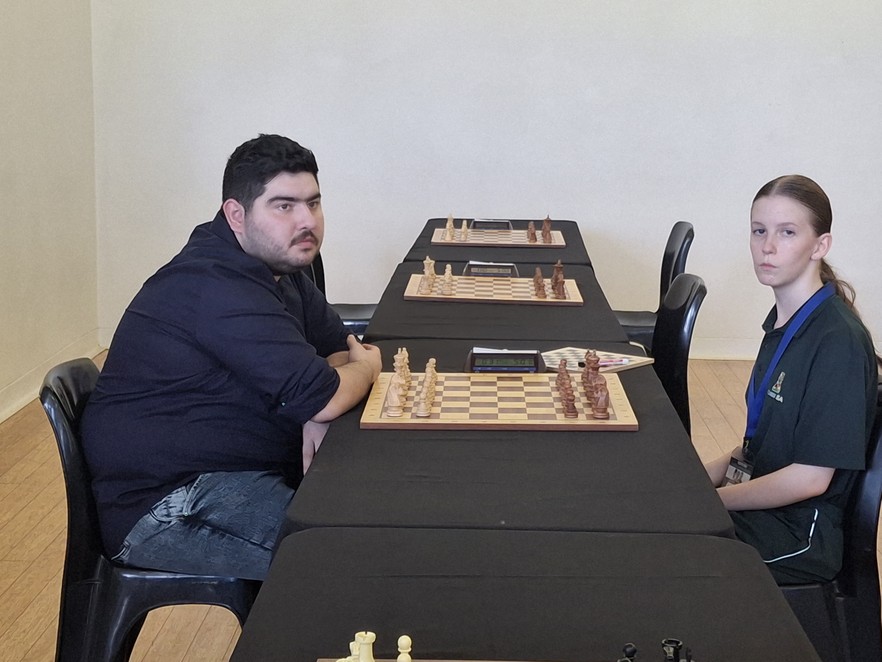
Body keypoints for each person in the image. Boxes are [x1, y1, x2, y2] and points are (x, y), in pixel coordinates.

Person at [81, 134, 382, 580]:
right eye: (284, 206)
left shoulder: (278, 265)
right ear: (236, 214)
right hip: (168, 503)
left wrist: (318, 405)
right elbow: (334, 386)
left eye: (313, 203)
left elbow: (336, 348)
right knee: (351, 555)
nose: (307, 221)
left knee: (380, 512)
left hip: (230, 473)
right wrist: (365, 370)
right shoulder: (216, 283)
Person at [704, 174, 880, 585]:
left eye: (787, 232)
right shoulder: (785, 324)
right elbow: (757, 446)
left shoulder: (837, 341)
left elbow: (810, 478)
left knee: (671, 545)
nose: (768, 246)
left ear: (820, 246)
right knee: (657, 518)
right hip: (768, 508)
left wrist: (711, 503)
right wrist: (688, 482)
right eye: (759, 231)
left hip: (800, 532)